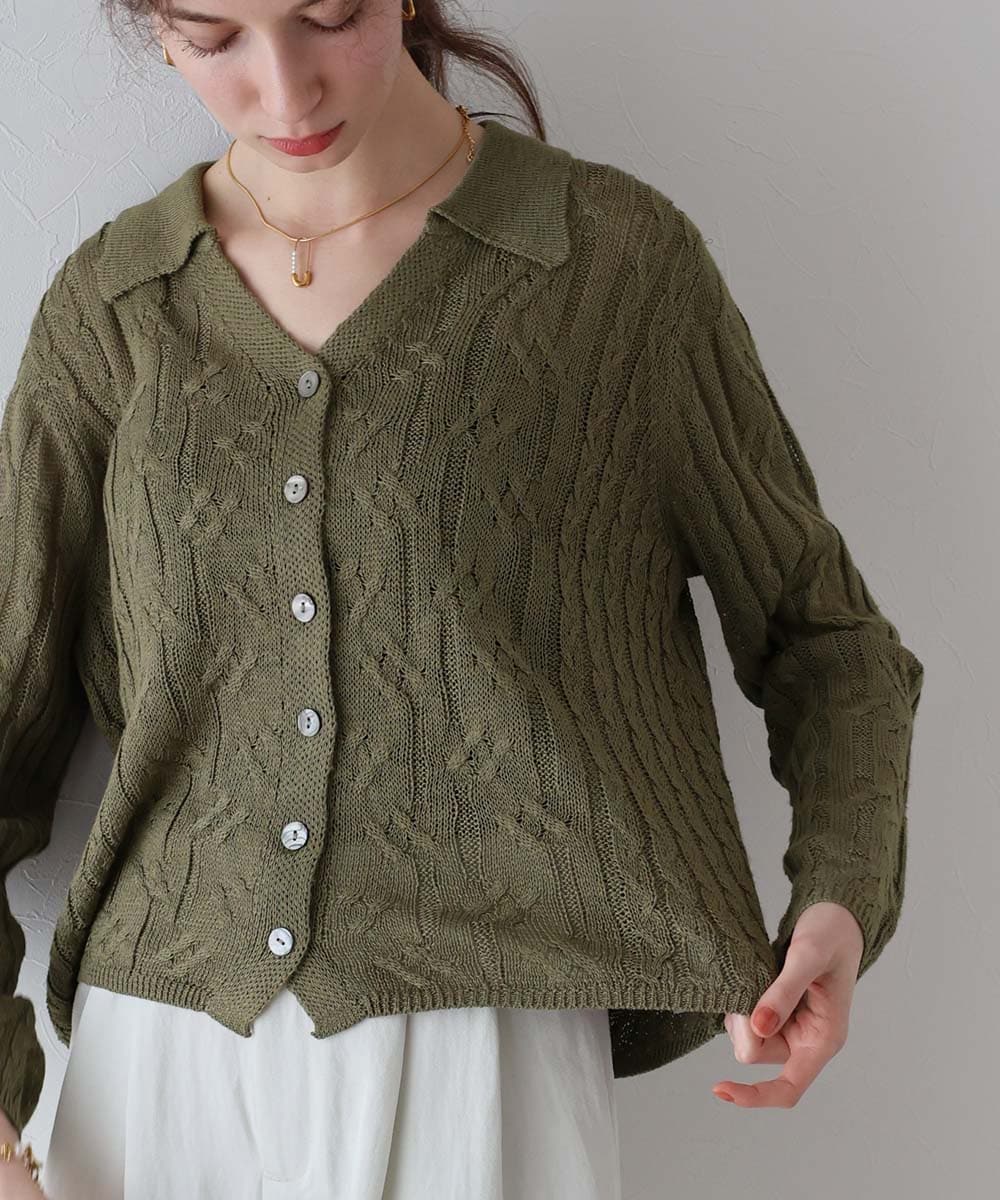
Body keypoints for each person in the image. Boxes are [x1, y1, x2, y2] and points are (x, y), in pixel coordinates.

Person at [0, 1, 925, 1196]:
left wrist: (840, 899)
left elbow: (825, 640)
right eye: (213, 38)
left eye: (327, 15)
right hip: (155, 1076)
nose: (285, 90)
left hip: (482, 1066)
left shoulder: (606, 265)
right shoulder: (115, 304)